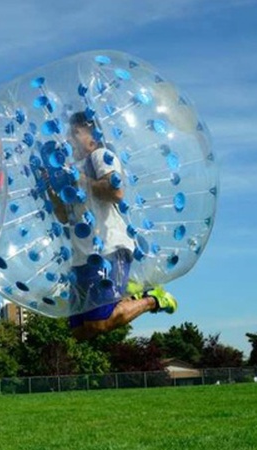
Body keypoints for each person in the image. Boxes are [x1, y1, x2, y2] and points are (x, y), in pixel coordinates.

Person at [62, 111, 177, 341]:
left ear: (92, 138)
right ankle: (127, 292)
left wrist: (81, 180)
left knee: (100, 322)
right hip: (80, 257)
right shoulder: (70, 172)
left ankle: (152, 299)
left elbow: (116, 192)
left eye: (75, 132)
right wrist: (50, 186)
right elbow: (63, 216)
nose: (69, 138)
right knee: (79, 331)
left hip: (108, 248)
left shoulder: (99, 156)